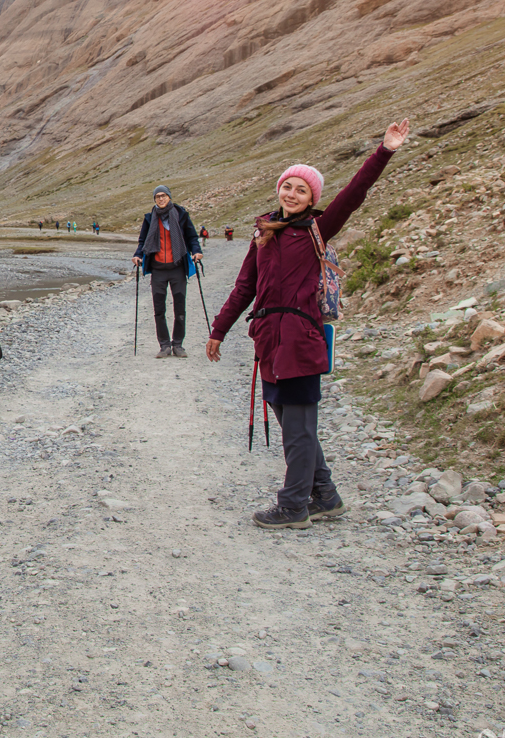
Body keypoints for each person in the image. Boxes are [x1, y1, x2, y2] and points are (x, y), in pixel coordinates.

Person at [207, 120, 411, 528]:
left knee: (298, 431)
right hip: (269, 342)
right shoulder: (263, 234)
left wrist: (384, 150)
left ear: (312, 198)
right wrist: (218, 330)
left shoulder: (318, 229)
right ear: (279, 190)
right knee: (295, 426)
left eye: (302, 190)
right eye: (288, 186)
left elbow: (354, 194)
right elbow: (244, 287)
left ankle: (294, 506)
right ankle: (326, 496)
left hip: (301, 342)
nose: (292, 194)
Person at [134, 186, 202, 358]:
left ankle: (178, 344)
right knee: (159, 310)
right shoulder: (150, 218)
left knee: (180, 308)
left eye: (163, 196)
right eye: (157, 196)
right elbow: (142, 241)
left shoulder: (181, 215)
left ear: (169, 197)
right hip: (158, 269)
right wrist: (138, 255)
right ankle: (164, 345)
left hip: (177, 267)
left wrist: (196, 251)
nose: (161, 199)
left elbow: (192, 237)